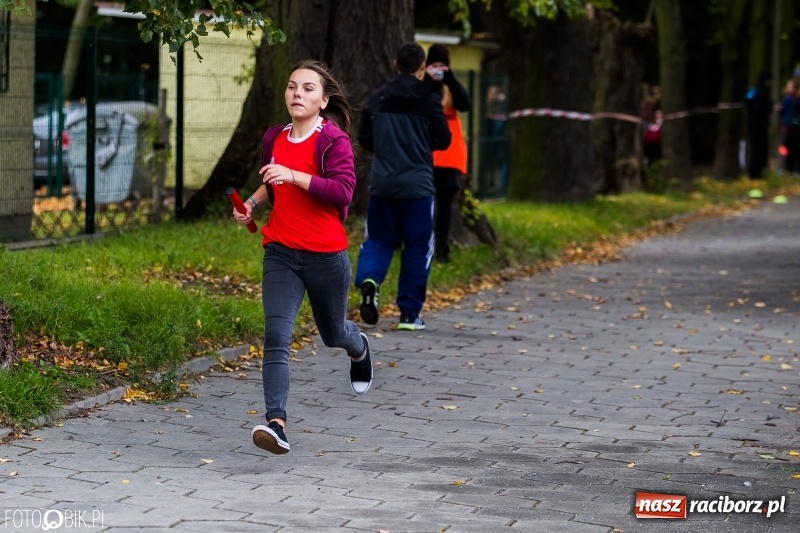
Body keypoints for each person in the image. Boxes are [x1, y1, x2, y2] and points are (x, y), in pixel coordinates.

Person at [232, 59, 372, 455]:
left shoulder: (333, 142)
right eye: (293, 86)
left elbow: (343, 192)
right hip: (281, 252)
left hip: (326, 256)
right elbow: (271, 182)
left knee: (332, 334)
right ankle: (276, 423)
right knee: (277, 335)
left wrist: (293, 175)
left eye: (308, 88)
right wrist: (253, 204)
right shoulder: (274, 137)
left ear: (324, 100)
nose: (298, 93)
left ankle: (358, 346)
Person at [354, 41, 451, 331]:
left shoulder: (377, 98)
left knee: (379, 240)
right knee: (418, 247)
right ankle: (409, 314)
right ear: (422, 67)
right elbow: (443, 141)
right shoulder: (429, 101)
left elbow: (365, 139)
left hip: (383, 184)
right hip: (419, 187)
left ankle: (370, 280)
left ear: (395, 64)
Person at [423, 44, 471, 263]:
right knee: (424, 206)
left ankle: (442, 250)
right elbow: (419, 101)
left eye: (443, 66)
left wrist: (449, 79)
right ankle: (423, 248)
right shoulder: (423, 85)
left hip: (450, 157)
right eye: (434, 65)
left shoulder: (452, 87)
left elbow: (465, 104)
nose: (439, 70)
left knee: (445, 207)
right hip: (427, 156)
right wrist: (428, 80)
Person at [744, 70, 773, 179]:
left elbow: (746, 100)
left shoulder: (753, 90)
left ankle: (756, 172)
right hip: (759, 125)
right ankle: (755, 173)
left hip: (752, 124)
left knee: (756, 148)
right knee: (759, 149)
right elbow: (764, 108)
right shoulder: (762, 92)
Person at [779, 78, 800, 175]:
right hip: (789, 126)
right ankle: (784, 168)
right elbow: (784, 112)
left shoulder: (794, 98)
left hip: (792, 126)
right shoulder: (789, 99)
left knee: (791, 147)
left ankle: (789, 168)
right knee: (786, 146)